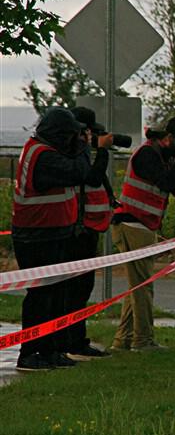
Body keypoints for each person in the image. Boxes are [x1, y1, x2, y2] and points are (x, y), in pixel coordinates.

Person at [12, 107, 108, 371]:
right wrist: (84, 147)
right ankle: (31, 352)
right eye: (70, 135)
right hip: (37, 236)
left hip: (52, 232)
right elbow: (80, 172)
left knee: (55, 295)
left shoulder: (45, 150)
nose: (73, 139)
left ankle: (50, 349)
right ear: (59, 134)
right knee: (40, 297)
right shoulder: (42, 155)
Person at [111, 117, 175, 351]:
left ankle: (123, 339)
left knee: (137, 286)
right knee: (143, 287)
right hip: (132, 224)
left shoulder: (162, 156)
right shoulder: (146, 155)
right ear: (167, 137)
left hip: (142, 225)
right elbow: (167, 182)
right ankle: (143, 340)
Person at [63, 107, 116, 360]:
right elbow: (93, 179)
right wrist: (102, 150)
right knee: (74, 290)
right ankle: (69, 340)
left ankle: (76, 339)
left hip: (87, 228)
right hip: (77, 230)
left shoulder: (79, 151)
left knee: (82, 289)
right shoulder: (72, 152)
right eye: (88, 131)